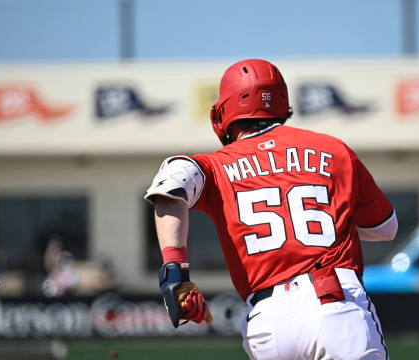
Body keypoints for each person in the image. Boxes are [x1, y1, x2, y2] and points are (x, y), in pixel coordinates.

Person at [144, 59, 397, 360]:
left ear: (224, 112)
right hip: (333, 302)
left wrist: (176, 272)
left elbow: (169, 186)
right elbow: (385, 228)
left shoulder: (215, 165)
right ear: (282, 103)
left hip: (267, 322)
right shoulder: (333, 149)